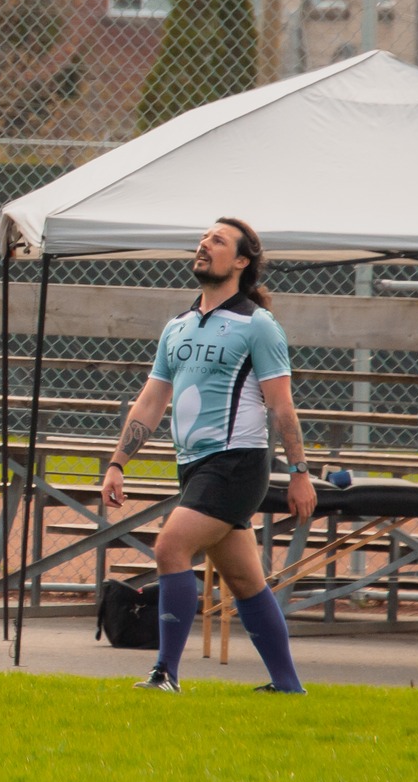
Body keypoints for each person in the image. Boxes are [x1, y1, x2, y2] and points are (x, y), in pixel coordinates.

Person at [102, 217, 312, 695]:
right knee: (244, 580)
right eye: (203, 238)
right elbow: (152, 399)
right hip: (194, 465)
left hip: (236, 463)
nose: (203, 245)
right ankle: (288, 685)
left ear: (241, 261)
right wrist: (117, 462)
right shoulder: (176, 326)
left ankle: (165, 674)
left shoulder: (257, 326)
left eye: (217, 241)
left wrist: (300, 473)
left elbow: (282, 406)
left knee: (169, 547)